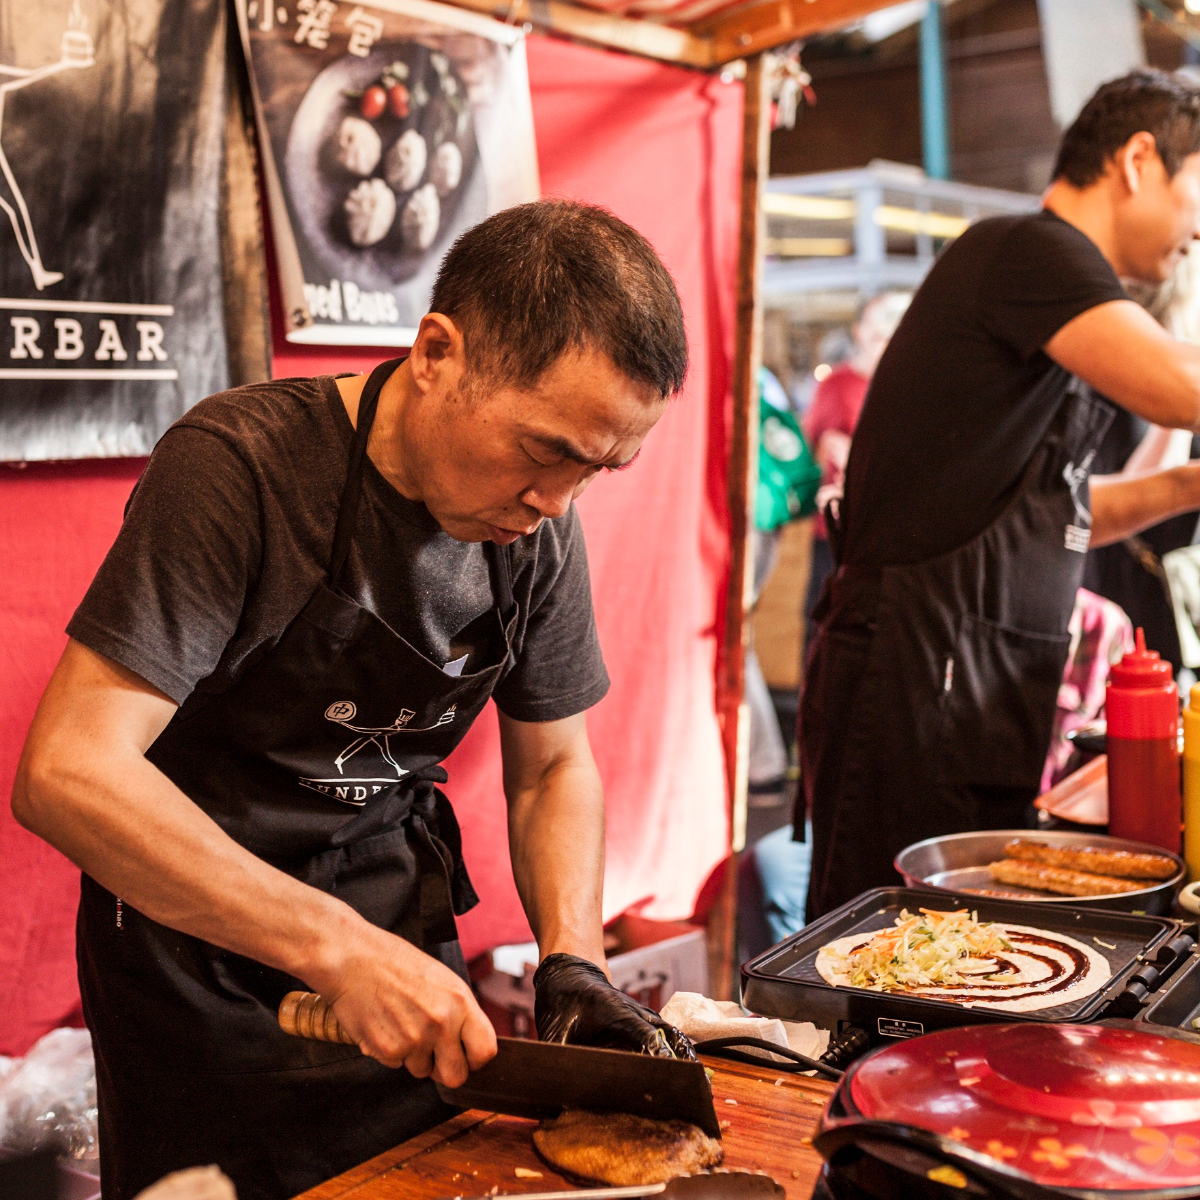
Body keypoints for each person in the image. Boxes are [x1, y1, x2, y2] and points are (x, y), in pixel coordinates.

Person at [11, 201, 694, 1200]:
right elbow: (67, 772)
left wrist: (574, 965)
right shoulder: (240, 471)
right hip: (201, 958)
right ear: (436, 352)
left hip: (392, 920)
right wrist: (332, 949)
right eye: (547, 449)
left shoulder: (540, 525)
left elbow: (554, 767)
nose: (560, 499)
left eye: (602, 468)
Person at [799, 69, 1200, 922]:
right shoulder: (1027, 251)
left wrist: (1186, 484)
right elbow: (1178, 382)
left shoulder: (1052, 296)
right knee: (882, 961)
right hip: (914, 682)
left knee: (965, 975)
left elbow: (1057, 516)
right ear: (1138, 161)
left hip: (979, 695)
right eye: (1198, 188)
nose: (1199, 230)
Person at [802, 292, 911, 642]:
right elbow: (808, 448)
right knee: (820, 621)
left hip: (886, 529)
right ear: (860, 330)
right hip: (833, 526)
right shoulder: (835, 385)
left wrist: (861, 459)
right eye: (878, 328)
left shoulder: (909, 389)